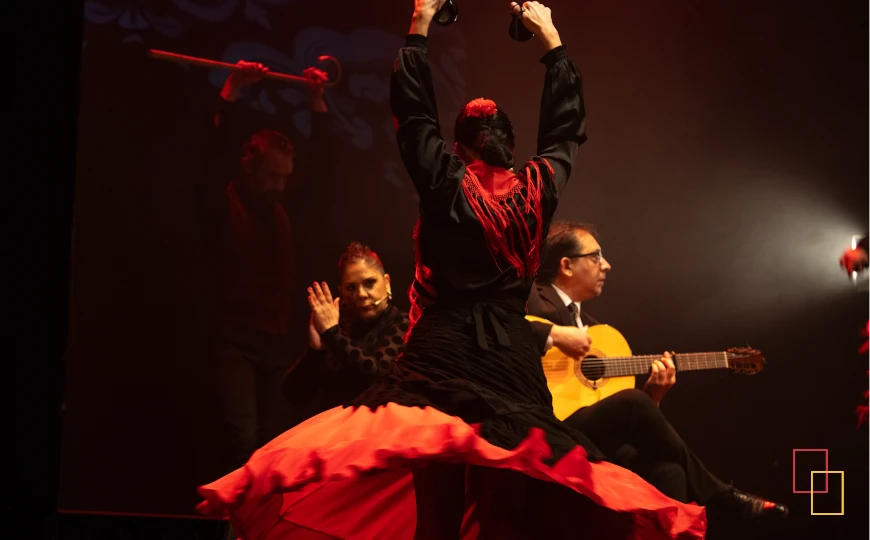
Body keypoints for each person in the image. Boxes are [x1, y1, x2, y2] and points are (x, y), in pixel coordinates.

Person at [198, 3, 707, 538]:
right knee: (503, 518)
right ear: (509, 146)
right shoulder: (538, 187)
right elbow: (565, 132)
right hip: (509, 366)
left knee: (437, 520)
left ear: (460, 146)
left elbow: (413, 114)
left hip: (443, 360)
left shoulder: (446, 179)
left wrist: (420, 25)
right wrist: (550, 37)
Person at [527, 221, 788, 521]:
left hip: (588, 439)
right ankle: (720, 495)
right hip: (542, 426)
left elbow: (601, 407)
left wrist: (654, 397)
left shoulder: (596, 330)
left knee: (669, 469)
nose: (607, 266)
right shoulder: (533, 295)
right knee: (633, 402)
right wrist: (556, 335)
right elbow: (500, 323)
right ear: (566, 266)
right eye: (596, 256)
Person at [197, 60, 332, 473]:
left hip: (275, 342)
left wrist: (316, 99)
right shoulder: (223, 204)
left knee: (275, 444)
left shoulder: (282, 208)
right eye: (272, 175)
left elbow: (322, 164)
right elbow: (213, 155)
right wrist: (234, 86)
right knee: (242, 439)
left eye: (285, 178)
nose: (279, 185)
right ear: (250, 166)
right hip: (234, 341)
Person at [282, 242, 410, 423]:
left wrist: (333, 334)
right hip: (331, 433)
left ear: (387, 283)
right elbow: (293, 395)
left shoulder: (404, 324)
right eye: (351, 288)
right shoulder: (338, 329)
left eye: (370, 283)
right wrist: (315, 352)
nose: (362, 294)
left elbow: (376, 378)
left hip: (379, 431)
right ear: (341, 292)